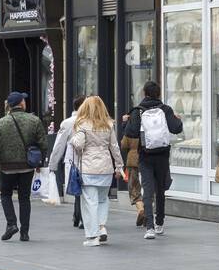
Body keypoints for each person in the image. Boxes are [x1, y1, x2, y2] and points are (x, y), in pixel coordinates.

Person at [0, 91, 50, 242]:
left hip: (7, 167)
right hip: (27, 166)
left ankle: (11, 224)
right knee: (24, 198)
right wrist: (39, 163)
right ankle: (25, 233)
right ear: (21, 104)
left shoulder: (1, 123)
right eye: (24, 101)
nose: (25, 102)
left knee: (5, 194)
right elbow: (43, 144)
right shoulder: (34, 120)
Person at [124, 80, 183, 240]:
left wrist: (127, 121)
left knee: (147, 191)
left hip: (145, 157)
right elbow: (177, 128)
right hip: (162, 156)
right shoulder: (165, 109)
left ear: (144, 93)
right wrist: (178, 119)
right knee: (160, 191)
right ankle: (160, 223)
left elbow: (131, 133)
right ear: (158, 93)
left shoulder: (138, 111)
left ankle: (149, 227)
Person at [70, 96, 125, 247]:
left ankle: (92, 236)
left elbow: (78, 144)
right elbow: (114, 147)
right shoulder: (108, 124)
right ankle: (102, 227)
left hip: (88, 168)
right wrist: (119, 167)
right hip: (106, 168)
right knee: (102, 200)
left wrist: (73, 140)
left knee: (89, 202)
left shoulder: (82, 124)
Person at [49, 95, 87, 230]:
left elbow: (58, 145)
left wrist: (53, 164)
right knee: (84, 190)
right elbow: (59, 145)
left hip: (73, 161)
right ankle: (81, 217)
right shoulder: (75, 122)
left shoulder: (68, 122)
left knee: (79, 190)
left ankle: (78, 216)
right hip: (83, 160)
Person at [119, 114, 146, 227]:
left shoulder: (130, 130)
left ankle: (140, 208)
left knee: (134, 187)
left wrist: (124, 125)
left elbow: (123, 145)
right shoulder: (146, 129)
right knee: (148, 187)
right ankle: (147, 211)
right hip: (146, 159)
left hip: (132, 161)